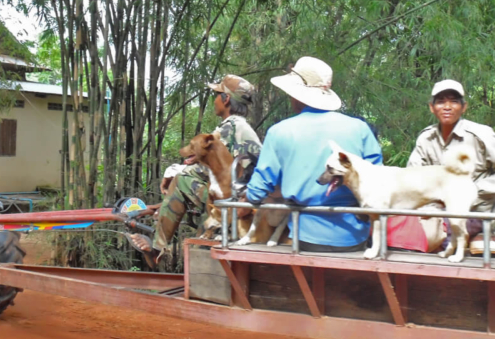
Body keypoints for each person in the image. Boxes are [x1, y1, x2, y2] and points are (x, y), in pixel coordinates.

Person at [246, 57, 383, 252]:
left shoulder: (279, 132)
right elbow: (377, 182)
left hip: (304, 237)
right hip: (354, 238)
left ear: (298, 95)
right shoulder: (360, 128)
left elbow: (256, 192)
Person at [129, 75, 262, 267]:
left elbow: (204, 170)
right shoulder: (242, 128)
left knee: (183, 178)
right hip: (246, 201)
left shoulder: (229, 129)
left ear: (225, 99)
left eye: (216, 95)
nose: (214, 100)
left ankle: (158, 249)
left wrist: (173, 173)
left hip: (235, 205)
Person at [388, 79, 495, 253]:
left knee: (435, 241)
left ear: (464, 107)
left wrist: (472, 190)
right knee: (389, 227)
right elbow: (411, 177)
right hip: (434, 211)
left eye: (453, 101)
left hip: (473, 210)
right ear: (432, 107)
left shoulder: (480, 135)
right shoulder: (426, 138)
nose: (447, 106)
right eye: (441, 101)